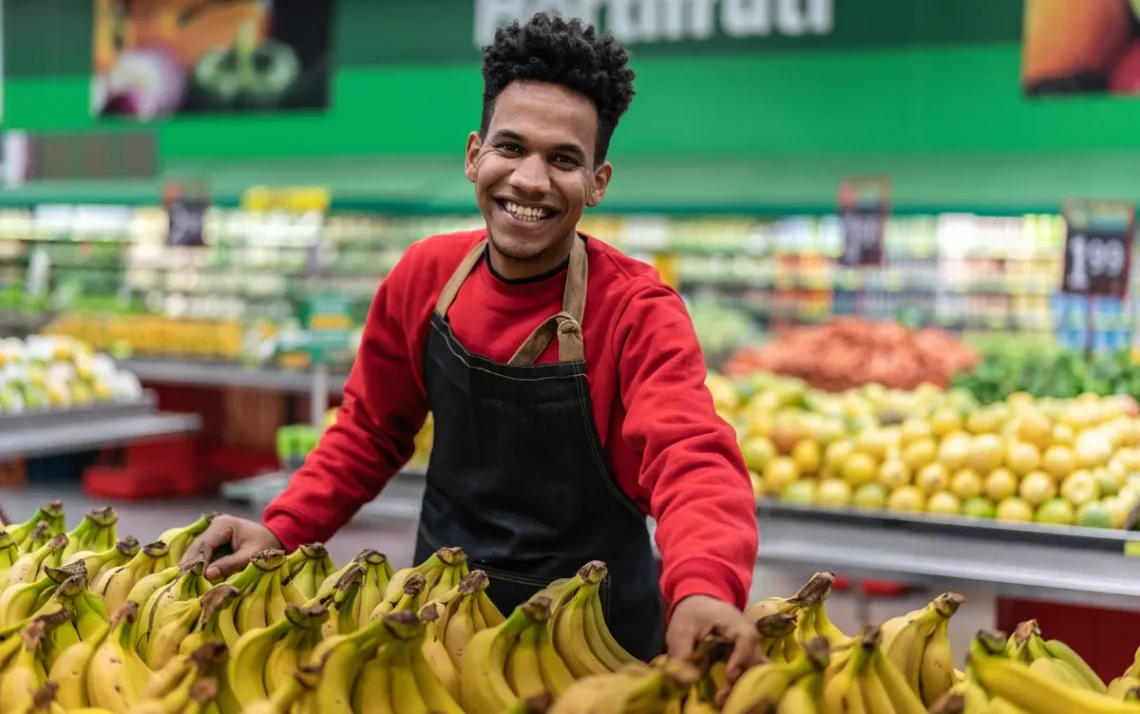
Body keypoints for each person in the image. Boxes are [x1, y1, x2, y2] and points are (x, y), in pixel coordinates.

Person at [191, 11, 760, 679]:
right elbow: (369, 431)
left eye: (564, 159)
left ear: (599, 183)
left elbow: (692, 456)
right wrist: (282, 529)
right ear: (474, 155)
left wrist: (702, 588)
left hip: (598, 647)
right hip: (438, 628)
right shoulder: (424, 280)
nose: (530, 180)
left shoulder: (637, 311)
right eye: (511, 147)